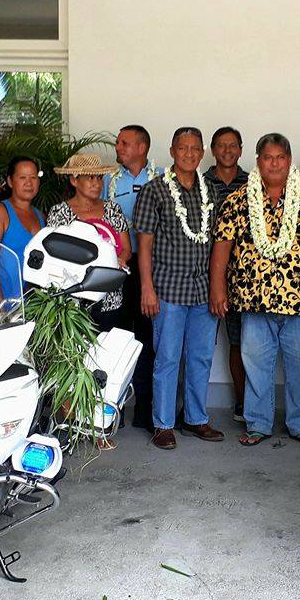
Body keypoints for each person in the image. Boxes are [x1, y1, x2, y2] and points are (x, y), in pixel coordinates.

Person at [211, 133, 300, 447]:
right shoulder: (239, 199)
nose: (275, 163)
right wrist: (217, 289)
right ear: (258, 162)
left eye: (280, 157)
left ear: (290, 160)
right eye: (268, 157)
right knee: (256, 366)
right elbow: (222, 247)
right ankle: (258, 424)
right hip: (255, 302)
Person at [134, 127, 224, 450]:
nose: (189, 154)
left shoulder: (211, 191)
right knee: (168, 358)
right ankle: (163, 424)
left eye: (195, 149)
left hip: (203, 290)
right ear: (172, 151)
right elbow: (144, 245)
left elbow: (218, 243)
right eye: (182, 148)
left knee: (200, 357)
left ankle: (196, 418)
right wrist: (147, 288)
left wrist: (218, 287)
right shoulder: (155, 190)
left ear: (202, 154)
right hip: (168, 289)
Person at [105, 125, 160, 430]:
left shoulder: (163, 176)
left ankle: (146, 411)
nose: (118, 147)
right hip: (119, 267)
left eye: (125, 143)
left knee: (149, 339)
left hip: (151, 268)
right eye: (118, 142)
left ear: (142, 147)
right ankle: (114, 409)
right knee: (120, 338)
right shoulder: (109, 180)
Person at [49, 152, 131, 332]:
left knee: (106, 350)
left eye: (100, 178)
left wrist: (118, 261)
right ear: (74, 180)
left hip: (110, 297)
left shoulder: (112, 209)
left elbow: (126, 248)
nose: (97, 183)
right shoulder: (59, 213)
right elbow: (54, 254)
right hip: (72, 299)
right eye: (90, 178)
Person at [203, 126, 250, 423]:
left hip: (244, 275)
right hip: (200, 272)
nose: (227, 150)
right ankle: (190, 409)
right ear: (213, 149)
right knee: (200, 344)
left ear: (241, 149)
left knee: (242, 340)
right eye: (222, 145)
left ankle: (244, 403)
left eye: (233, 145)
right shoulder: (199, 181)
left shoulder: (253, 182)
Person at [0, 156, 45, 302]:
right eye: (22, 177)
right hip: (4, 301)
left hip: (32, 304)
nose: (28, 183)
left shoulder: (40, 215)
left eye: (33, 177)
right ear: (10, 181)